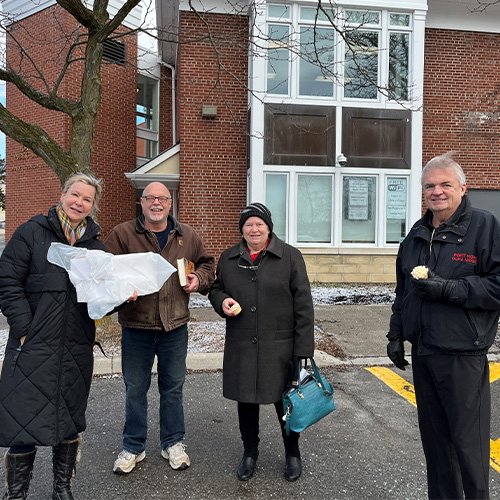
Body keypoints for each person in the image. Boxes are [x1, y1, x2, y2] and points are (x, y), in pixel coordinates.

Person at [386, 153, 500, 499]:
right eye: (430, 186)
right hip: (425, 353)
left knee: (468, 446)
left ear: (462, 188)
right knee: (436, 448)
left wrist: (451, 289)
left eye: (445, 184)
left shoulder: (485, 227)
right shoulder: (416, 235)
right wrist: (395, 333)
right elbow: (403, 291)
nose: (437, 191)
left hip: (463, 354)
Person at [0, 172, 106, 499]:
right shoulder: (32, 232)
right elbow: (7, 283)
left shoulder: (95, 246)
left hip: (75, 347)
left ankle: (62, 489)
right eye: (74, 194)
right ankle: (16, 494)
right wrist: (24, 330)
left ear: (92, 206)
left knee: (69, 420)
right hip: (32, 346)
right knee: (22, 422)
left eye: (86, 199)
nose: (79, 202)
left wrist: (119, 295)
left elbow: (98, 301)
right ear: (63, 194)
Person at [105, 181, 215, 475]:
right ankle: (133, 446)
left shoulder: (186, 235)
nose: (156, 203)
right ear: (141, 203)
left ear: (170, 203)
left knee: (172, 389)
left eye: (162, 198)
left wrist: (199, 280)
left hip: (174, 326)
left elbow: (207, 264)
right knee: (135, 389)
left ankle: (173, 442)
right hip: (136, 326)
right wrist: (119, 290)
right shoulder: (123, 234)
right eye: (150, 198)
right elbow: (105, 271)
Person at [209, 202, 314, 482]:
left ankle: (292, 453)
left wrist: (302, 351)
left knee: (286, 404)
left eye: (259, 224)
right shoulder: (229, 258)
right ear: (241, 230)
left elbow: (304, 305)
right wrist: (222, 302)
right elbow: (216, 289)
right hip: (242, 344)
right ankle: (250, 452)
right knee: (246, 402)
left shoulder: (290, 257)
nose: (254, 229)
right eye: (248, 224)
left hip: (281, 346)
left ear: (269, 227)